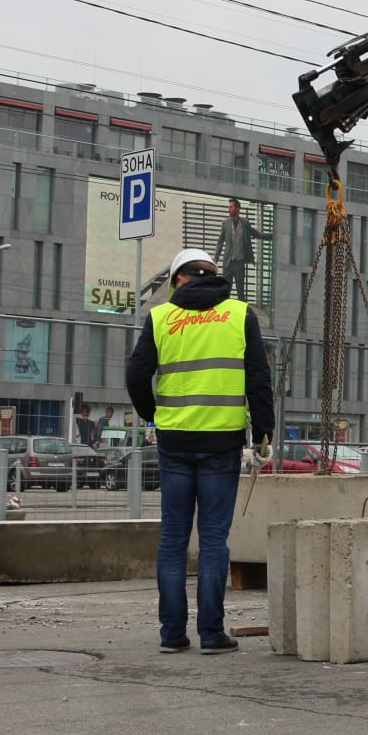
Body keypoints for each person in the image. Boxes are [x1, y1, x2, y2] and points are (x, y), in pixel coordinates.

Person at [126, 247, 274, 655]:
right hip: (221, 444)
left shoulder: (160, 317)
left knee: (173, 539)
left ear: (177, 281)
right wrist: (264, 433)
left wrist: (152, 414)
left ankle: (172, 634)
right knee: (213, 541)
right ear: (212, 276)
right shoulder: (240, 315)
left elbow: (136, 373)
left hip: (174, 442)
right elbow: (259, 379)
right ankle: (212, 634)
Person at [213, 198, 263, 303]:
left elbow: (255, 234)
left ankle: (243, 314)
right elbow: (220, 242)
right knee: (225, 290)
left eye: (231, 207)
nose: (229, 209)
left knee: (241, 291)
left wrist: (272, 236)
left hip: (239, 263)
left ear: (237, 208)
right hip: (228, 263)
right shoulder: (225, 223)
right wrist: (215, 259)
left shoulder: (245, 223)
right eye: (229, 207)